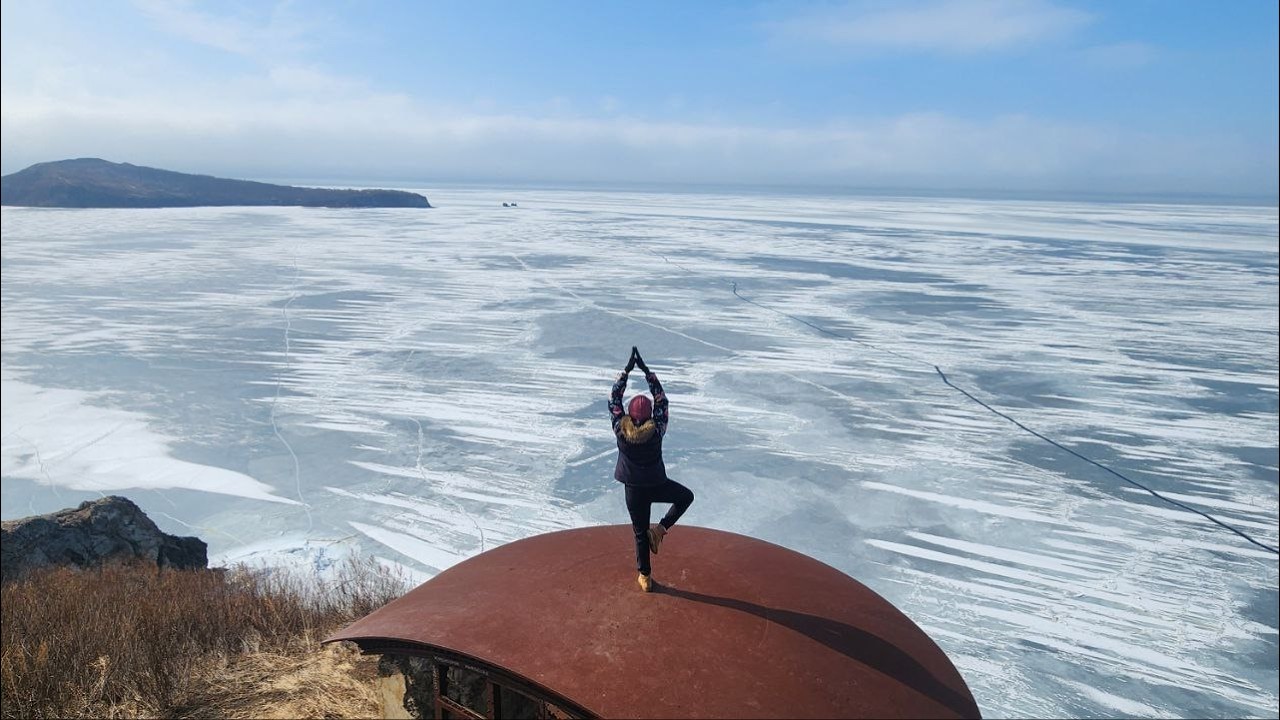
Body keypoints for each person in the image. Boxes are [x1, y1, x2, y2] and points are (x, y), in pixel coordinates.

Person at [609, 346, 694, 592]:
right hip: (656, 484)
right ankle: (661, 529)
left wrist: (625, 372)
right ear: (648, 416)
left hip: (633, 490)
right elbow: (662, 400)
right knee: (685, 497)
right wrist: (647, 372)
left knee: (638, 532)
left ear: (629, 415)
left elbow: (614, 399)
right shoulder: (657, 430)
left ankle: (644, 577)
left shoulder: (619, 429)